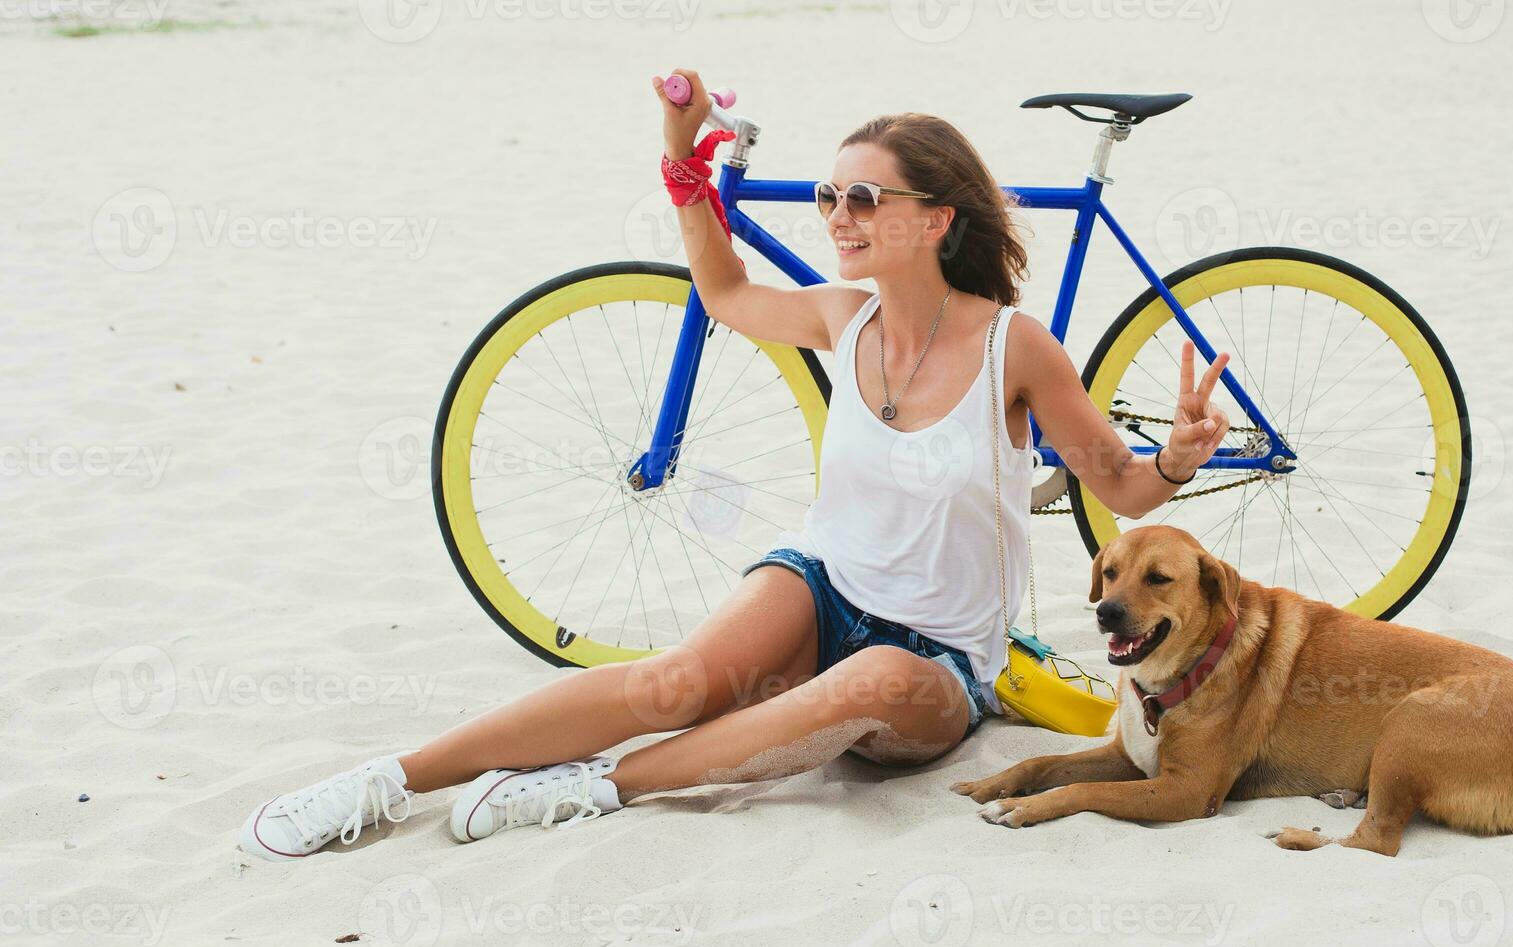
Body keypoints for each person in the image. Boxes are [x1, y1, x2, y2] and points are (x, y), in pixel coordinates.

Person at [236, 69, 1231, 861]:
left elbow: (1122, 485)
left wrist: (1176, 459)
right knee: (678, 681)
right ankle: (390, 778)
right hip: (821, 582)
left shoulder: (1019, 349)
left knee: (873, 673)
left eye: (864, 197)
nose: (836, 213)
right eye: (829, 194)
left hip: (937, 665)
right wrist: (683, 170)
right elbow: (722, 292)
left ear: (935, 220)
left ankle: (597, 784)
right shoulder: (844, 317)